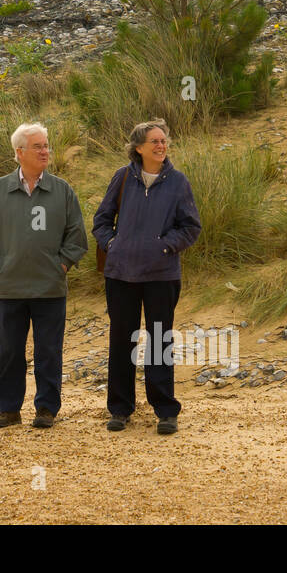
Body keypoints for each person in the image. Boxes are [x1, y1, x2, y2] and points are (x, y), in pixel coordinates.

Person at [0, 122, 88, 429]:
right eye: (38, 146)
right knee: (9, 352)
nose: (45, 151)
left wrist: (61, 265)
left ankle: (46, 409)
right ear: (19, 152)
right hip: (9, 289)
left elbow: (77, 236)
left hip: (50, 288)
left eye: (47, 145)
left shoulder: (62, 190)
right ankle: (8, 410)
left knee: (48, 351)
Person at [92, 119, 201, 436]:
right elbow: (101, 220)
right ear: (138, 148)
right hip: (121, 274)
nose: (161, 146)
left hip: (161, 275)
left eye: (163, 140)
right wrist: (112, 244)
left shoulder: (178, 182)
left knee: (159, 341)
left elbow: (191, 227)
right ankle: (120, 410)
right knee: (122, 340)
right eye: (154, 141)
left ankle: (166, 411)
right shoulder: (123, 177)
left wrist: (165, 247)